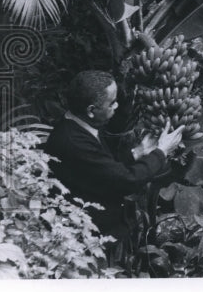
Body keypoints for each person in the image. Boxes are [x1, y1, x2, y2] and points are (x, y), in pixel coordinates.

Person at [45, 70, 183, 258]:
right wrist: (162, 152)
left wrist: (138, 152)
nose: (117, 106)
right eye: (112, 103)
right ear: (91, 110)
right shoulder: (72, 142)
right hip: (89, 245)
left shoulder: (82, 126)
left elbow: (103, 168)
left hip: (106, 232)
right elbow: (126, 180)